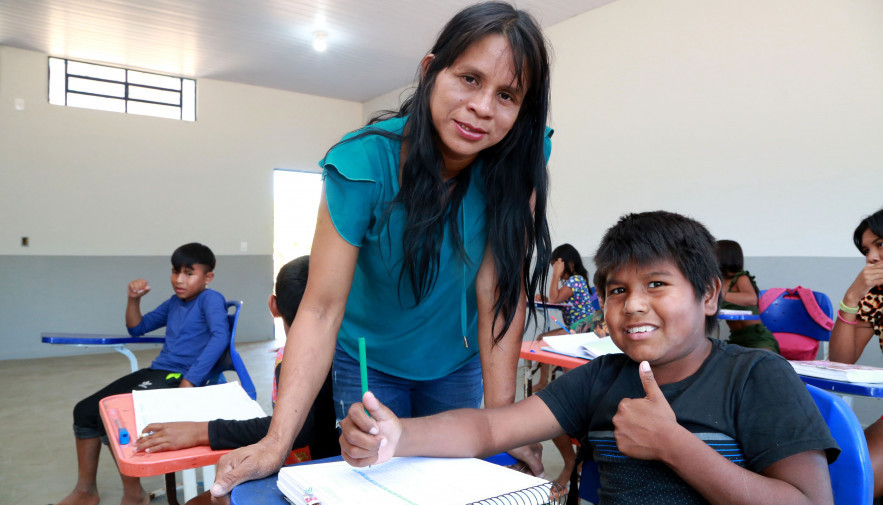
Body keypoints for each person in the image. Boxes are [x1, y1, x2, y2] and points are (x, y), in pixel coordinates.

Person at [209, 2, 554, 497]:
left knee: (453, 483)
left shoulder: (519, 157)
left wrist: (505, 424)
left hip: (456, 363)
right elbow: (322, 308)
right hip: (370, 362)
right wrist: (275, 443)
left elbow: (499, 290)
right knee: (377, 481)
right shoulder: (362, 162)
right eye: (470, 79)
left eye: (507, 95)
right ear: (431, 71)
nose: (483, 107)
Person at [340, 211, 839, 505]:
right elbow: (490, 430)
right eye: (617, 289)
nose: (634, 304)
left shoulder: (755, 376)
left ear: (709, 295)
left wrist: (673, 444)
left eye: (657, 284)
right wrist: (400, 435)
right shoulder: (602, 378)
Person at [134, 256, 339, 505]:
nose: (180, 279)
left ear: (273, 305)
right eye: (176, 272)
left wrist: (203, 431)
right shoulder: (345, 354)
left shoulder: (296, 363)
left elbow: (302, 429)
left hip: (312, 478)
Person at [57, 242, 230, 505]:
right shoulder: (174, 303)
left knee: (112, 416)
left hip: (177, 378)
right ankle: (85, 491)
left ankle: (134, 495)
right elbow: (137, 327)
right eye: (175, 271)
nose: (179, 280)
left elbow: (220, 337)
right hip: (158, 371)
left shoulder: (210, 299)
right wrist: (133, 299)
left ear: (208, 277)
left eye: (188, 272)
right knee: (84, 410)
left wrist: (190, 380)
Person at [828, 207, 883, 498]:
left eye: (880, 245)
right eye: (866, 250)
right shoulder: (877, 296)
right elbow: (841, 361)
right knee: (850, 482)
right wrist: (851, 297)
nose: (872, 257)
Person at [531, 243, 593, 488]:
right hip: (573, 327)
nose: (557, 271)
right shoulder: (575, 283)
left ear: (566, 262)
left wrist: (555, 274)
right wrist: (544, 298)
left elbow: (557, 297)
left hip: (581, 329)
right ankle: (544, 380)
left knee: (545, 342)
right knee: (541, 340)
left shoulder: (576, 279)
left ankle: (547, 380)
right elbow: (557, 300)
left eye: (558, 264)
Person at [715, 239, 780, 353]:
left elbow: (752, 299)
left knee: (763, 361)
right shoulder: (718, 281)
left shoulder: (740, 278)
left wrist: (718, 295)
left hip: (757, 338)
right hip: (736, 338)